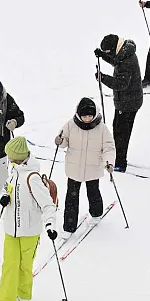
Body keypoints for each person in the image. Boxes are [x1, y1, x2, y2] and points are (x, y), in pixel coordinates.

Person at [0, 137, 58, 301]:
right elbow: (6, 187)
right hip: (11, 228)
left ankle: (24, 295)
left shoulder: (33, 178)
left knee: (25, 265)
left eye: (9, 156)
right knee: (10, 264)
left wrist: (50, 226)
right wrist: (4, 196)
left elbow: (48, 205)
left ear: (17, 157)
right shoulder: (14, 171)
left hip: (30, 231)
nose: (8, 158)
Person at [54, 97, 115, 236]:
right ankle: (69, 226)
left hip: (93, 167)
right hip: (74, 168)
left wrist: (109, 162)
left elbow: (109, 147)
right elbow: (63, 142)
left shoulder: (101, 128)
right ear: (78, 114)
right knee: (71, 197)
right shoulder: (70, 125)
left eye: (90, 115)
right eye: (84, 116)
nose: (87, 119)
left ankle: (96, 213)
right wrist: (60, 140)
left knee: (93, 192)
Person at [95, 35, 144, 172]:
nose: (107, 55)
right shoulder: (123, 53)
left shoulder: (126, 60)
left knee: (122, 133)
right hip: (126, 100)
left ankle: (120, 163)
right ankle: (117, 156)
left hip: (129, 103)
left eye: (107, 53)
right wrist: (103, 56)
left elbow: (120, 84)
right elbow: (115, 61)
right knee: (117, 128)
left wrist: (103, 78)